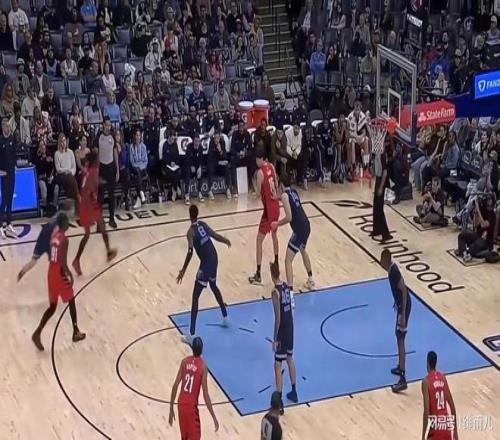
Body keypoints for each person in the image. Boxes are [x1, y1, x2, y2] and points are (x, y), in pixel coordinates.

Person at [30, 212, 86, 351]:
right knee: (71, 299)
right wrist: (69, 275)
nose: (68, 224)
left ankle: (37, 333)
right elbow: (63, 262)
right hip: (59, 273)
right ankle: (75, 331)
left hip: (51, 272)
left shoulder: (54, 236)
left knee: (52, 307)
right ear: (64, 224)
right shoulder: (65, 240)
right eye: (67, 222)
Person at [176, 205, 230, 345]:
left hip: (206, 263)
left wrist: (183, 270)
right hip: (214, 257)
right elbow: (215, 236)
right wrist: (225, 240)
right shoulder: (203, 224)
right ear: (197, 214)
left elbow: (190, 252)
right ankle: (225, 316)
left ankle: (192, 334)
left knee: (195, 296)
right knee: (213, 285)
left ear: (189, 215)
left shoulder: (190, 232)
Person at [72, 151, 117, 276]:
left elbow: (88, 183)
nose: (99, 161)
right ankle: (76, 260)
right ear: (95, 161)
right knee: (90, 233)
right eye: (98, 159)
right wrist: (103, 182)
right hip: (89, 205)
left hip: (87, 204)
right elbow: (94, 183)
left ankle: (108, 252)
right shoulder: (93, 171)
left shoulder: (87, 168)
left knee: (99, 229)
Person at [168, 336, 219, 439]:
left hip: (181, 404)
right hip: (191, 407)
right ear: (202, 350)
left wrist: (171, 408)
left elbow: (175, 385)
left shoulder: (184, 361)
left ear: (192, 348)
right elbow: (205, 394)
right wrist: (213, 416)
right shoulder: (203, 367)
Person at [271, 173, 314, 291]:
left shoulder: (285, 196)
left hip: (298, 229)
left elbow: (289, 217)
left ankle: (290, 291)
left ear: (281, 185)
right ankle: (311, 280)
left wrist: (277, 223)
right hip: (306, 225)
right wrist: (277, 198)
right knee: (303, 250)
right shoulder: (293, 192)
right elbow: (287, 200)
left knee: (288, 260)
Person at [381, 249, 411, 393]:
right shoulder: (391, 270)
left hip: (404, 308)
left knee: (400, 338)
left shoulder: (394, 271)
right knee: (398, 336)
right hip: (401, 306)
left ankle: (402, 378)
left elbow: (403, 290)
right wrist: (397, 302)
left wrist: (403, 314)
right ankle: (400, 366)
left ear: (385, 260)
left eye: (381, 260)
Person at [249, 146, 280, 284]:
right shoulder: (271, 166)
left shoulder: (260, 173)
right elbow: (276, 184)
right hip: (276, 207)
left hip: (268, 210)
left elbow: (257, 195)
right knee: (274, 235)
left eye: (256, 159)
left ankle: (258, 274)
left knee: (258, 241)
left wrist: (254, 188)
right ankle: (276, 263)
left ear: (260, 159)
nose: (256, 162)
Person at [270, 261, 297, 414]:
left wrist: (275, 339)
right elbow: (292, 307)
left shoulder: (275, 292)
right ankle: (294, 391)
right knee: (290, 358)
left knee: (277, 364)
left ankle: (279, 401)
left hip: (282, 330)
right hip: (291, 326)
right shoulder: (286, 286)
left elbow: (277, 318)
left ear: (271, 275)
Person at [421, 351, 458, 440]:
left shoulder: (426, 382)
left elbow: (427, 411)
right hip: (446, 427)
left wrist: (423, 436)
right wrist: (455, 431)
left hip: (436, 428)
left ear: (427, 363)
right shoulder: (443, 378)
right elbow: (452, 407)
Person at [17, 215, 59, 281]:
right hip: (49, 242)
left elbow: (43, 233)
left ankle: (23, 271)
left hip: (41, 241)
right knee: (54, 262)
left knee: (33, 260)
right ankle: (56, 277)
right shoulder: (58, 224)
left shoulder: (50, 222)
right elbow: (54, 233)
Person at [371, 138, 392, 241]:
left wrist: (380, 187)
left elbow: (385, 172)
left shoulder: (383, 155)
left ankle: (386, 234)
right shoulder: (375, 153)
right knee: (375, 206)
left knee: (379, 208)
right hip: (378, 179)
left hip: (383, 181)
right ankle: (376, 230)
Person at [0, 118, 17, 239]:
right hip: (4, 174)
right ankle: (0, 224)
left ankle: (9, 222)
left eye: (9, 126)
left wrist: (14, 166)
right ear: (2, 127)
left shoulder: (11, 139)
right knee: (5, 200)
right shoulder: (0, 141)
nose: (8, 128)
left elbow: (14, 154)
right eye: (6, 126)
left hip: (12, 173)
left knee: (10, 198)